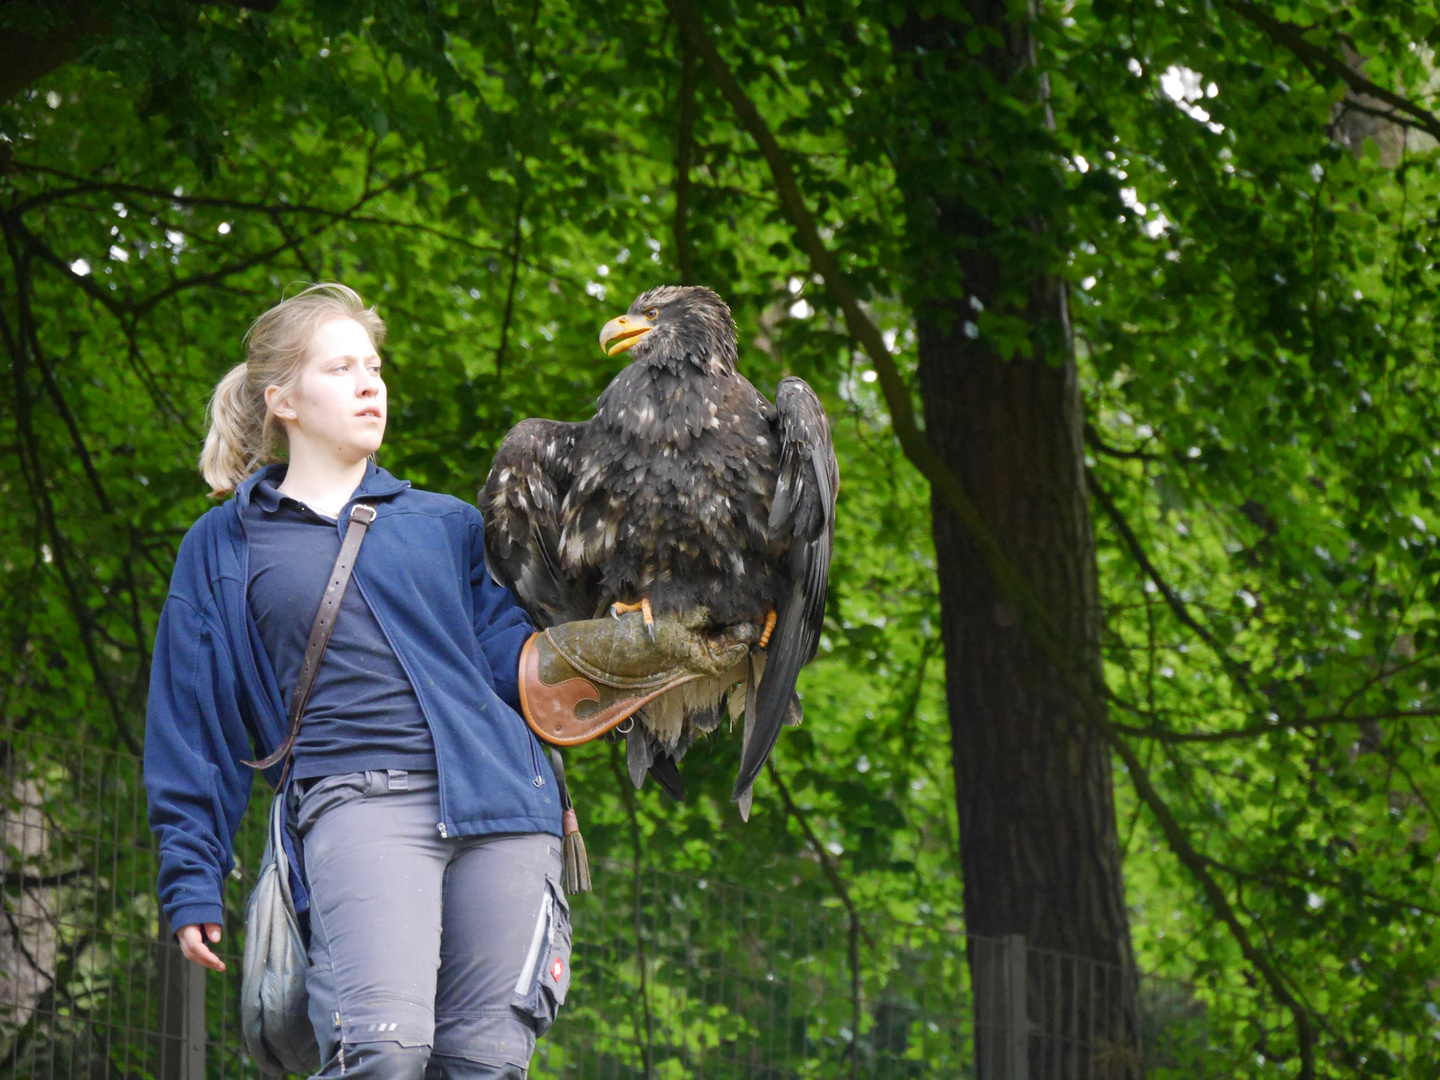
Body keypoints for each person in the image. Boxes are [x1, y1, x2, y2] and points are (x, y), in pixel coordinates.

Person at [143, 283, 570, 1080]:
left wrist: (624, 650)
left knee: (484, 1064)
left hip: (507, 803)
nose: (371, 383)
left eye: (374, 367)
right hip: (359, 798)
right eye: (342, 368)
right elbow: (191, 723)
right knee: (382, 1050)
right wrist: (192, 876)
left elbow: (519, 666)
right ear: (284, 400)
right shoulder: (226, 544)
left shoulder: (448, 525)